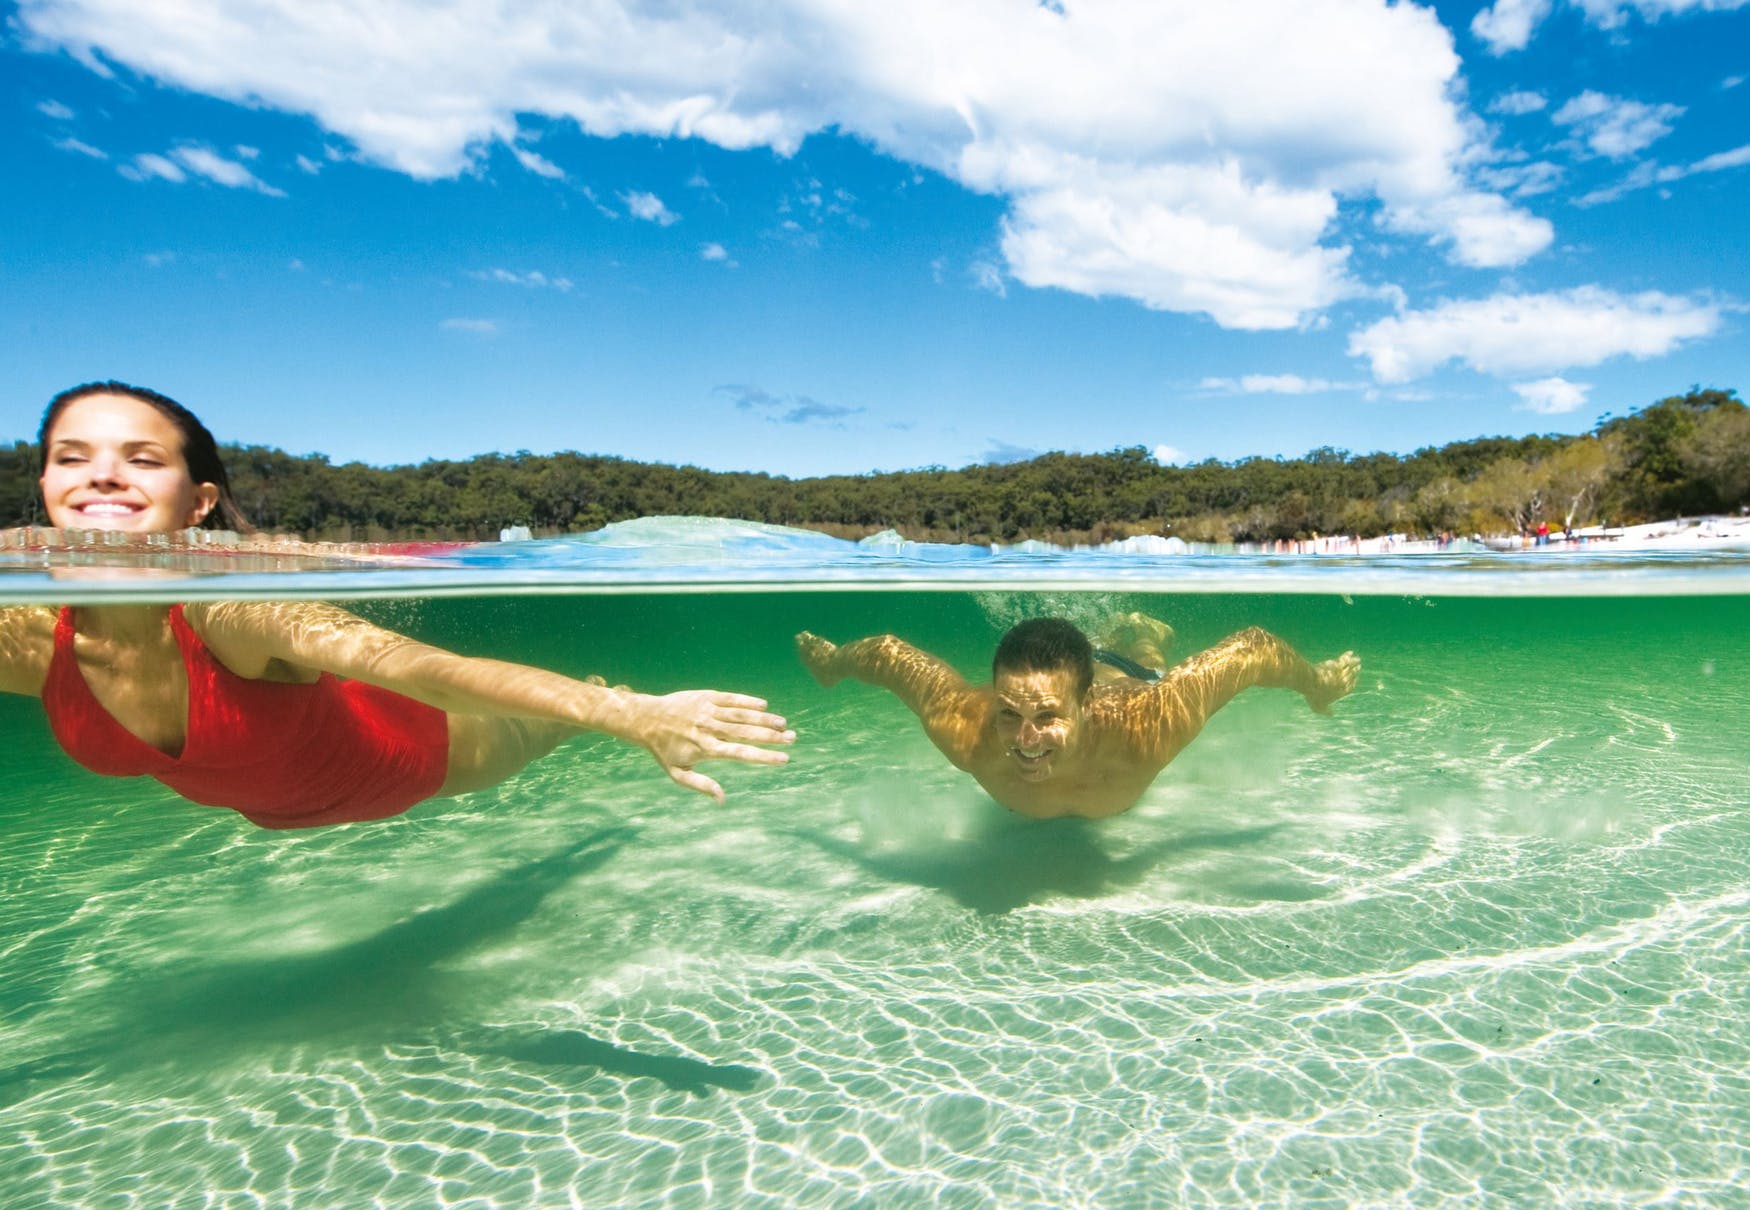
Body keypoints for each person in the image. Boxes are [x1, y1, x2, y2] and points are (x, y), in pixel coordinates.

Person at [0, 382, 794, 826]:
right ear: (43, 485)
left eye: (140, 458)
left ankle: (606, 695)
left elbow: (423, 670)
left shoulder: (230, 611)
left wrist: (633, 718)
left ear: (200, 502)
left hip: (413, 757)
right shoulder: (35, 638)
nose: (102, 475)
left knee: (546, 726)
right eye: (72, 457)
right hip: (281, 806)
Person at [795, 613, 1358, 819]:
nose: (1026, 739)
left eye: (1046, 716)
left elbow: (1253, 648)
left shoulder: (1148, 727)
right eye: (1009, 713)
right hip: (1086, 681)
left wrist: (1319, 685)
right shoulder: (969, 729)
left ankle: (1136, 638)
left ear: (1084, 708)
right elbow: (891, 656)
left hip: (1121, 683)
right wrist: (834, 664)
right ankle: (1123, 636)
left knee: (1143, 664)